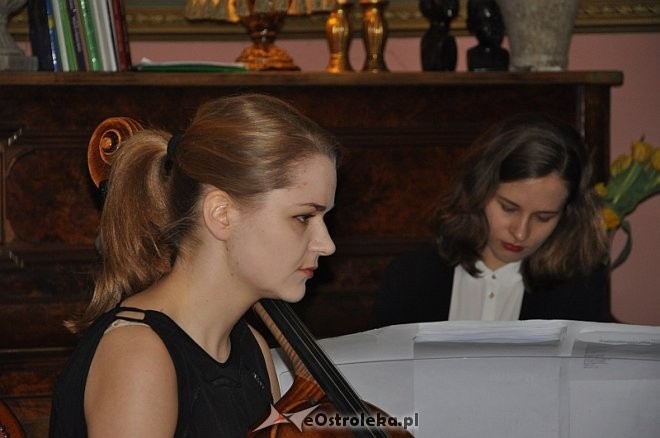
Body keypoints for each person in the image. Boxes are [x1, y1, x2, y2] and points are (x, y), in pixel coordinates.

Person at [49, 94, 342, 437]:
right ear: (221, 214)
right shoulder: (138, 356)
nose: (327, 244)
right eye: (303, 217)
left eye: (324, 218)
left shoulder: (251, 347)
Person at [370, 113, 611, 328]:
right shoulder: (410, 276)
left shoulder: (581, 287)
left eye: (543, 217)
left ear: (568, 214)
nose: (520, 233)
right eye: (508, 208)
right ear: (479, 189)